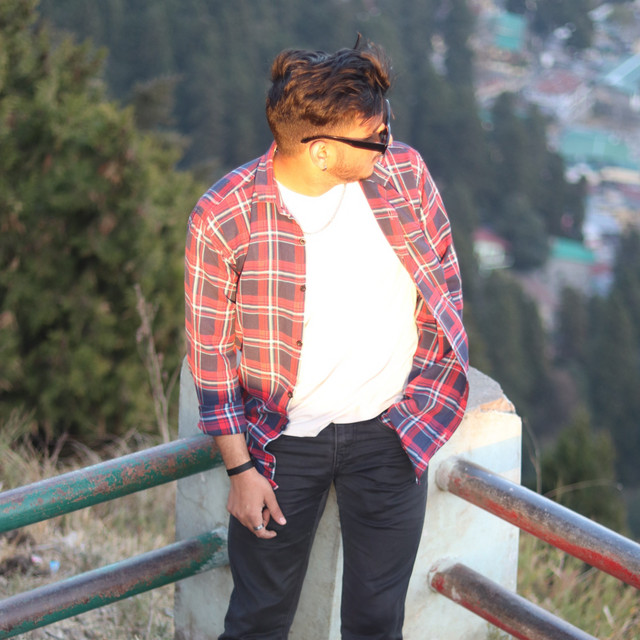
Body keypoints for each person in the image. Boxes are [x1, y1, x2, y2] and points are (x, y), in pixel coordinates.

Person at [184, 37, 469, 640]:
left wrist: (424, 395)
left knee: (377, 622)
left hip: (392, 433)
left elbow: (442, 283)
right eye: (374, 137)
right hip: (280, 444)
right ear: (319, 151)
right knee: (259, 618)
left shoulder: (405, 174)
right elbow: (211, 356)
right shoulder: (225, 215)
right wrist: (240, 470)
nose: (388, 143)